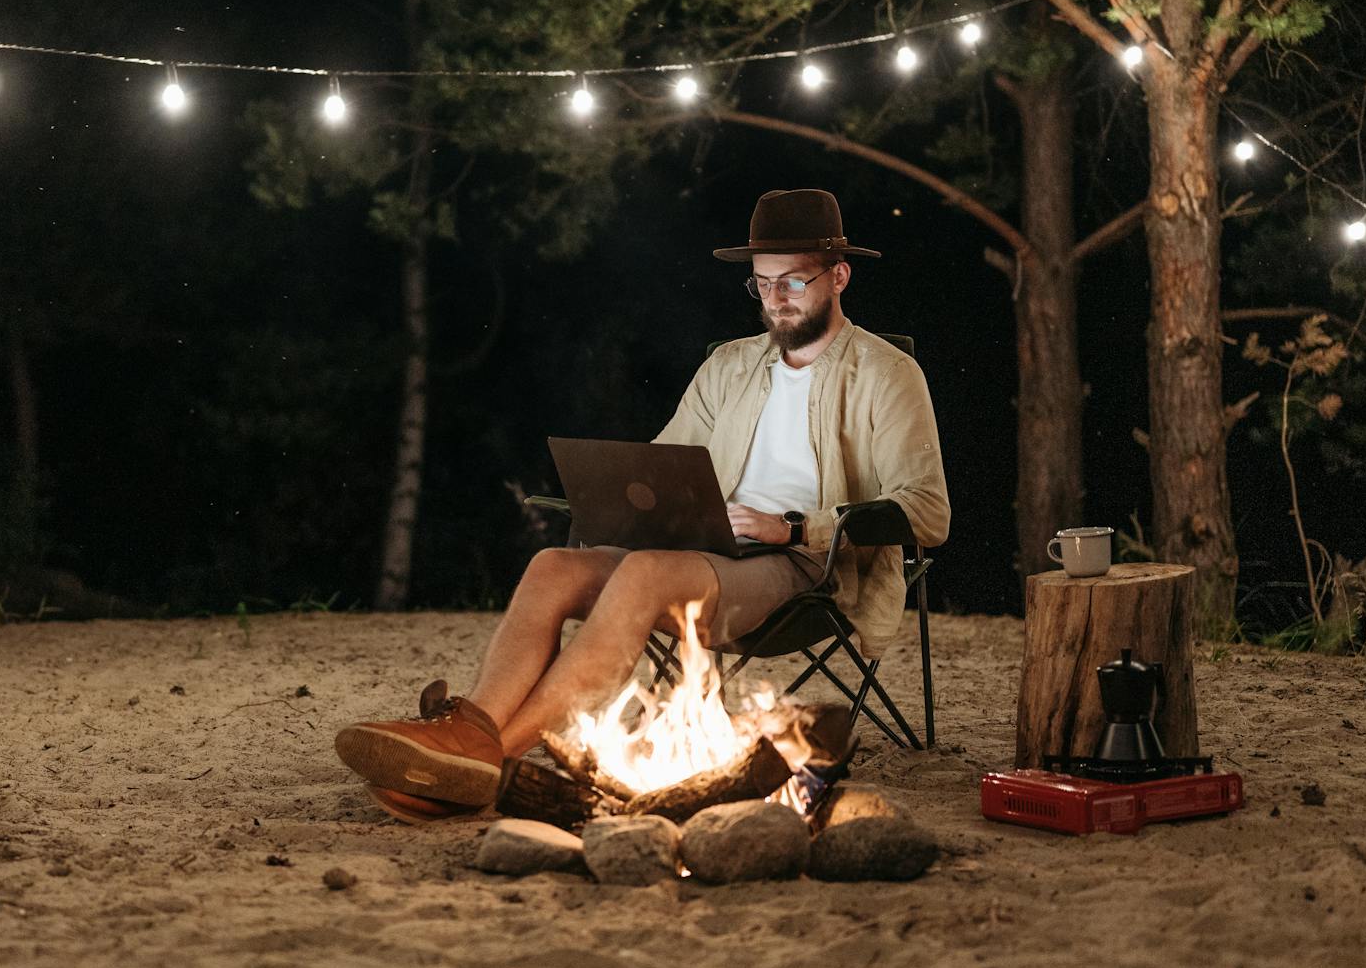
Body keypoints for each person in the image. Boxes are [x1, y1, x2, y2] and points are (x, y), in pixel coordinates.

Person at [334, 188, 951, 823]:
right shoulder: (729, 367)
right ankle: (470, 733)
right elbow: (665, 465)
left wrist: (791, 526)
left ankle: (488, 767)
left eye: (793, 280)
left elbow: (929, 513)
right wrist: (626, 497)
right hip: (707, 549)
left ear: (839, 275)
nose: (776, 298)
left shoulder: (887, 373)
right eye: (762, 284)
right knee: (554, 565)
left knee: (644, 573)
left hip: (805, 567)